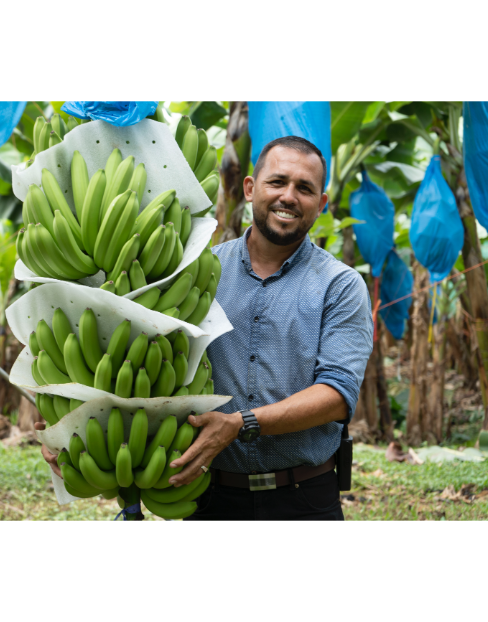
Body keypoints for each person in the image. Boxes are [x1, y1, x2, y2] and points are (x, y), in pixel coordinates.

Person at [39, 135, 373, 522]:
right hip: (209, 496)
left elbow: (336, 394)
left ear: (322, 203)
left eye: (305, 188)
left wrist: (240, 424)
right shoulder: (196, 270)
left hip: (304, 498)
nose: (289, 197)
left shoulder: (340, 284)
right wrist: (69, 421)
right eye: (277, 182)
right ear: (250, 188)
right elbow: (137, 356)